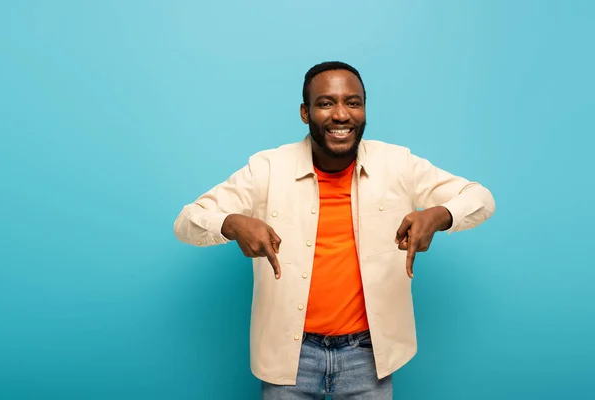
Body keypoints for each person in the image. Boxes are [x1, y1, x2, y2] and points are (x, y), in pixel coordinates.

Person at [173, 61, 495, 399]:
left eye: (352, 102)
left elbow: (480, 198)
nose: (341, 115)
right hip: (289, 356)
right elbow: (187, 221)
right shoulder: (267, 169)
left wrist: (439, 214)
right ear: (305, 112)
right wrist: (231, 223)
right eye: (326, 103)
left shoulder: (397, 164)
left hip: (367, 356)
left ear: (364, 109)